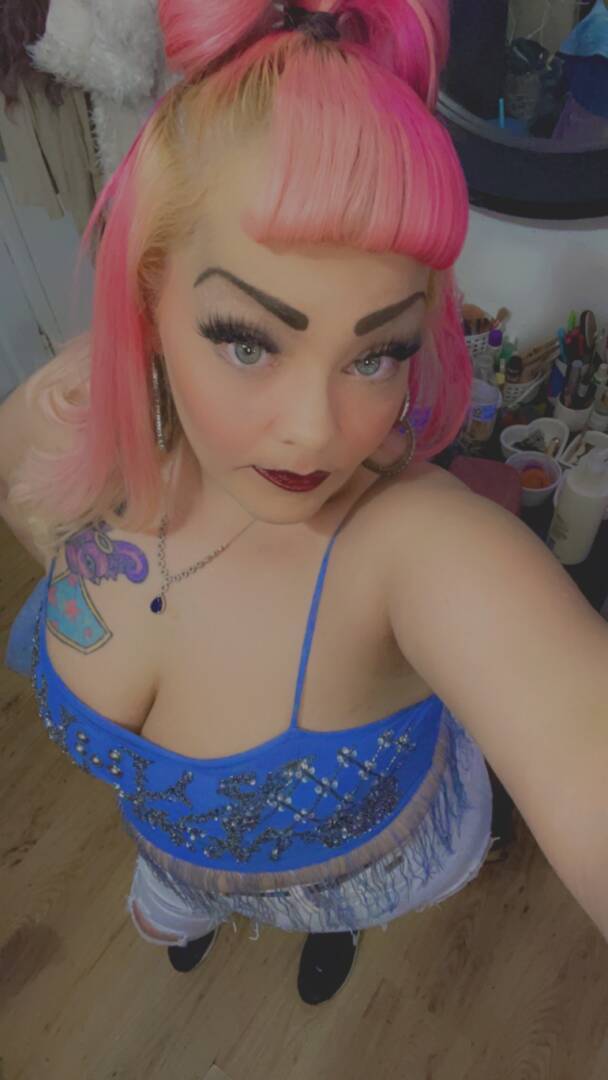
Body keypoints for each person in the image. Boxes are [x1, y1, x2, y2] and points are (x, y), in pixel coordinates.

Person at [2, 0, 607, 1008]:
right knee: (171, 891)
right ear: (147, 291)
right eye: (248, 341)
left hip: (358, 866)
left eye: (377, 354)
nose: (318, 433)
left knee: (330, 907)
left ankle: (330, 924)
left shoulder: (413, 547)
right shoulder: (59, 423)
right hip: (171, 853)